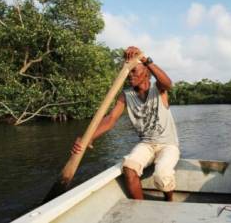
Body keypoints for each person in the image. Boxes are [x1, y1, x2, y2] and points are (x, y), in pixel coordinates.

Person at [72, 46, 180, 201]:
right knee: (129, 169)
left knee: (162, 175)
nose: (130, 75)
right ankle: (140, 208)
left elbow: (168, 83)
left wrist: (145, 59)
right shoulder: (126, 95)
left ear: (146, 73)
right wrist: (87, 138)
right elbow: (110, 119)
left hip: (168, 144)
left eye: (134, 71)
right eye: (128, 71)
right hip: (147, 144)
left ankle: (169, 201)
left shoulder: (158, 89)